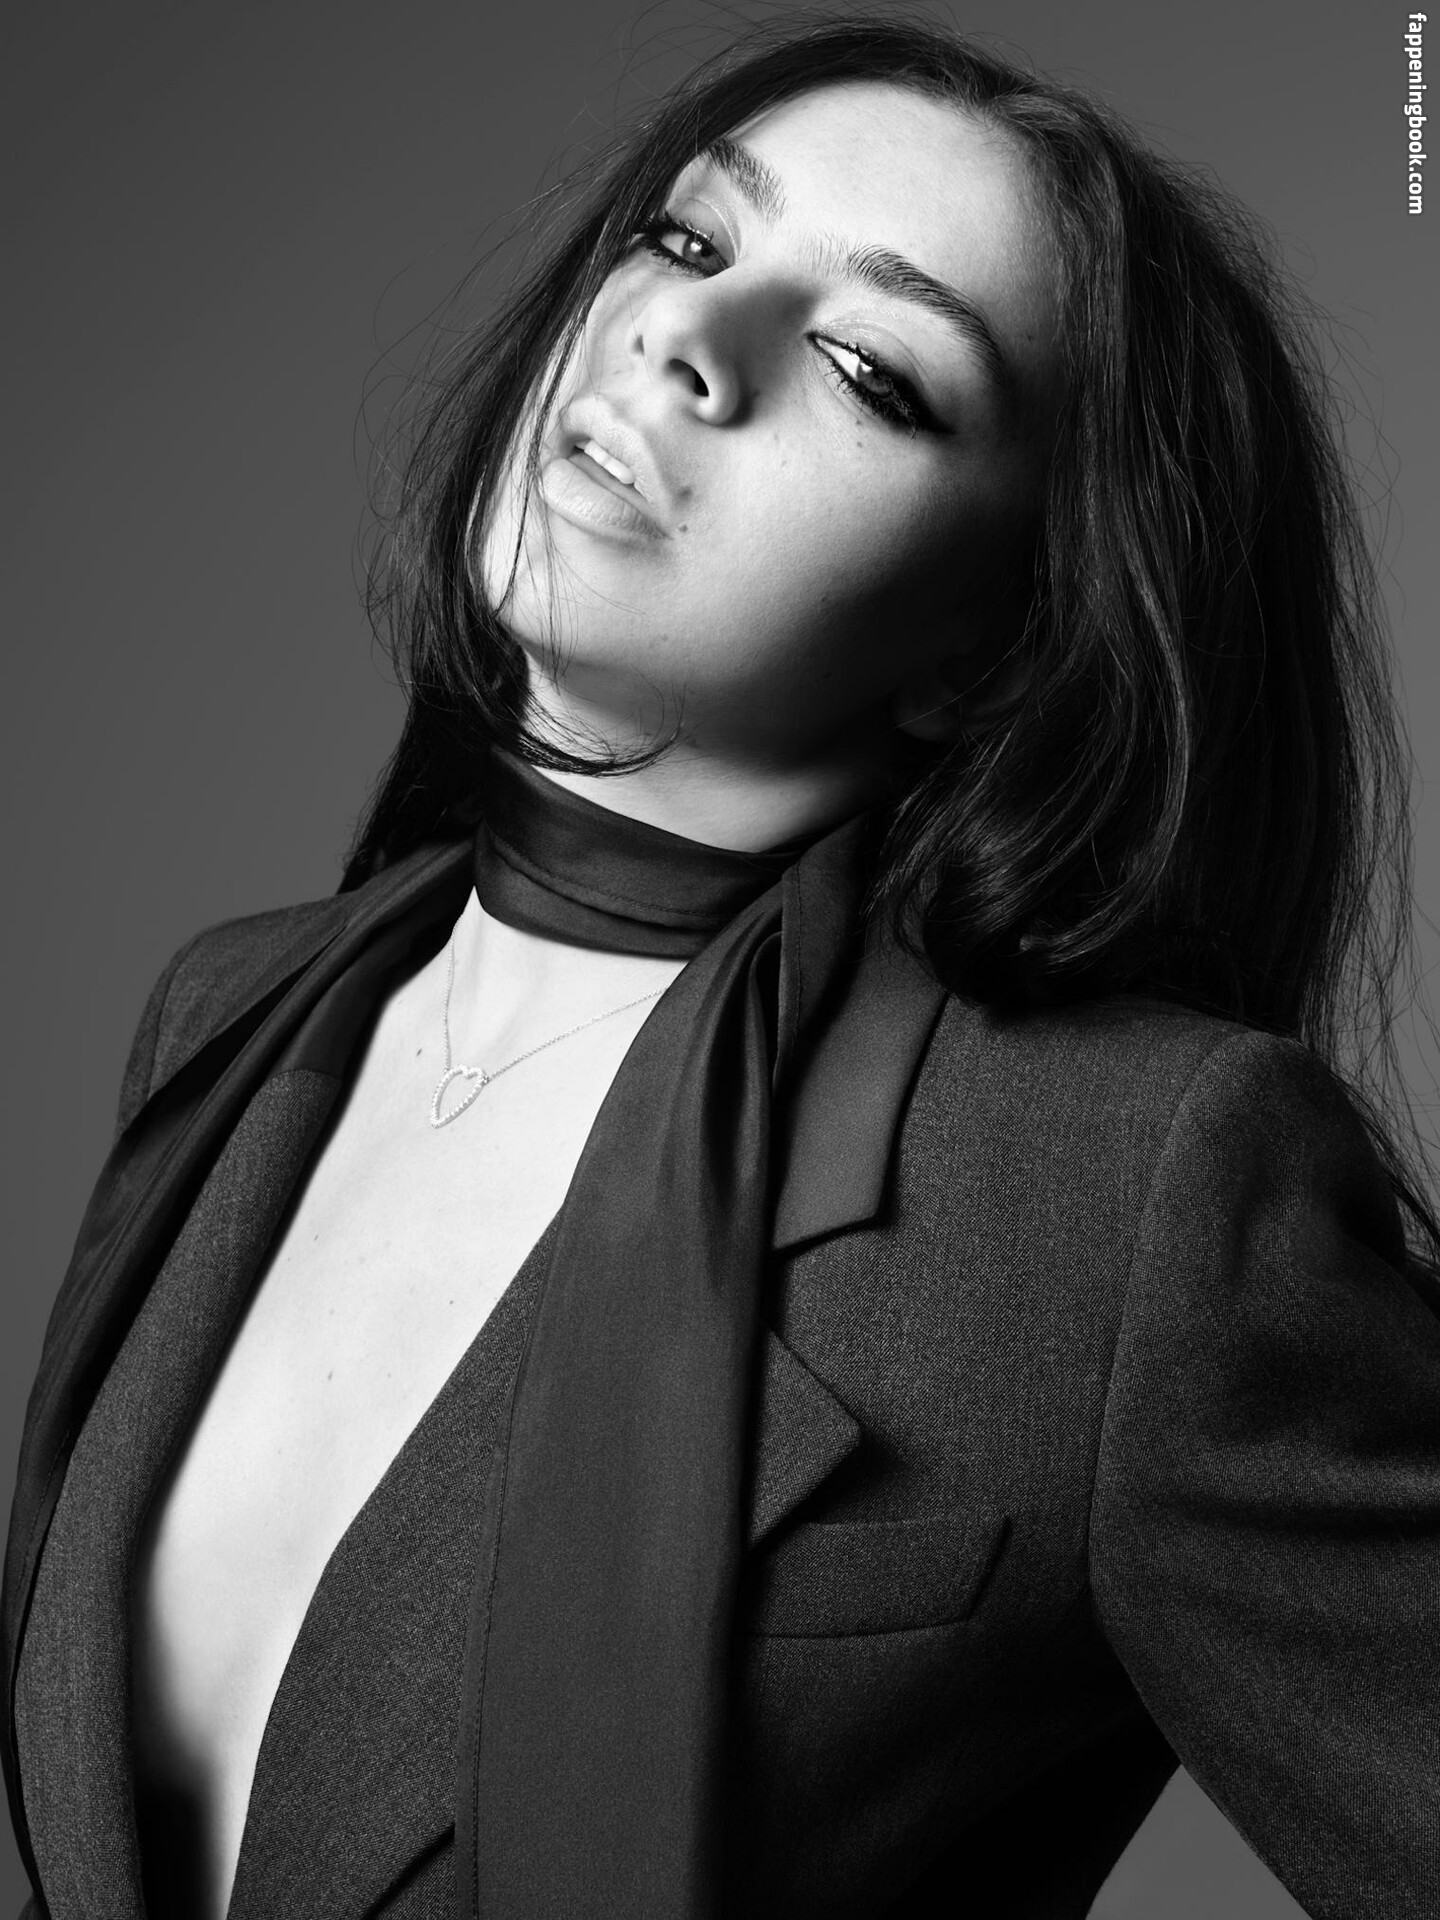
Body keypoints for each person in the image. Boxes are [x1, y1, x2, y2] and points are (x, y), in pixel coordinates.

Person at [4, 15, 1437, 1920]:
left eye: (870, 369)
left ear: (992, 646)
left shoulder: (1130, 1193)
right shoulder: (231, 1018)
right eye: (689, 238)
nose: (691, 335)